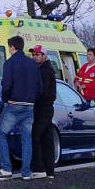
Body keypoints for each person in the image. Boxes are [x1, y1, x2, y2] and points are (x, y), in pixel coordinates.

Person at [0, 36, 41, 180]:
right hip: (29, 107)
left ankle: (6, 168)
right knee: (27, 139)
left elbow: (6, 85)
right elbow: (40, 87)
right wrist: (32, 100)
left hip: (13, 105)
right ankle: (26, 173)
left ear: (12, 47)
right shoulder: (33, 64)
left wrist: (6, 100)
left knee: (0, 134)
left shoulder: (9, 63)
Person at [29, 45, 56, 179]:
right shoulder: (41, 69)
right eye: (33, 55)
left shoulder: (44, 71)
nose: (35, 57)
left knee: (35, 136)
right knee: (46, 139)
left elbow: (42, 92)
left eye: (38, 55)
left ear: (44, 56)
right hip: (44, 108)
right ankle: (49, 171)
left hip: (42, 108)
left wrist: (31, 99)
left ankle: (39, 169)